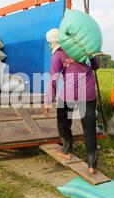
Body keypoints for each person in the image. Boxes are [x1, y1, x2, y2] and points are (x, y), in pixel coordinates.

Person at [43, 28, 100, 175]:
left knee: (63, 121)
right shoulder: (84, 48)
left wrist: (48, 101)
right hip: (88, 94)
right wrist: (91, 52)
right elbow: (96, 66)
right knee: (89, 129)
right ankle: (92, 166)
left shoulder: (58, 54)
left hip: (69, 94)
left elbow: (53, 79)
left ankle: (67, 150)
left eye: (50, 43)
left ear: (53, 42)